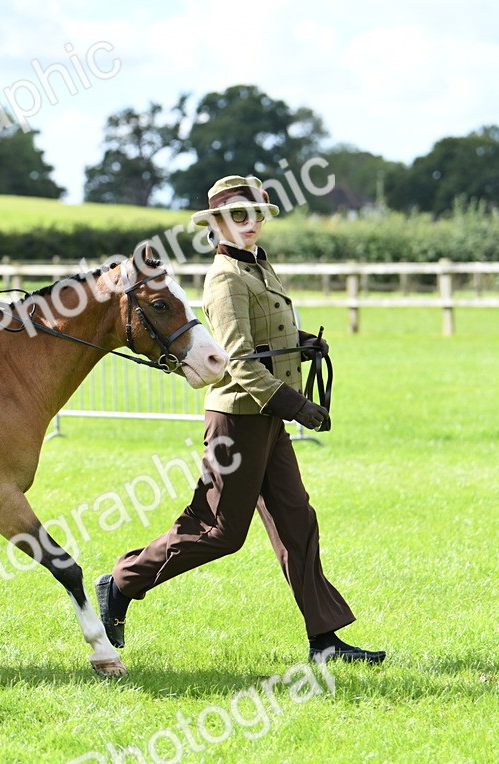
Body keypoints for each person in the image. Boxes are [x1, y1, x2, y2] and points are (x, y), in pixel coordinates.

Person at [95, 175, 385, 664]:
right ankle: (122, 582)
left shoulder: (260, 266)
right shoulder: (224, 278)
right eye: (237, 216)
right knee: (218, 532)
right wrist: (297, 406)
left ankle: (325, 642)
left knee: (297, 522)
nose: (248, 223)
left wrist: (301, 345)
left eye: (254, 214)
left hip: (266, 416)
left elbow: (266, 336)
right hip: (238, 420)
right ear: (217, 225)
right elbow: (240, 362)